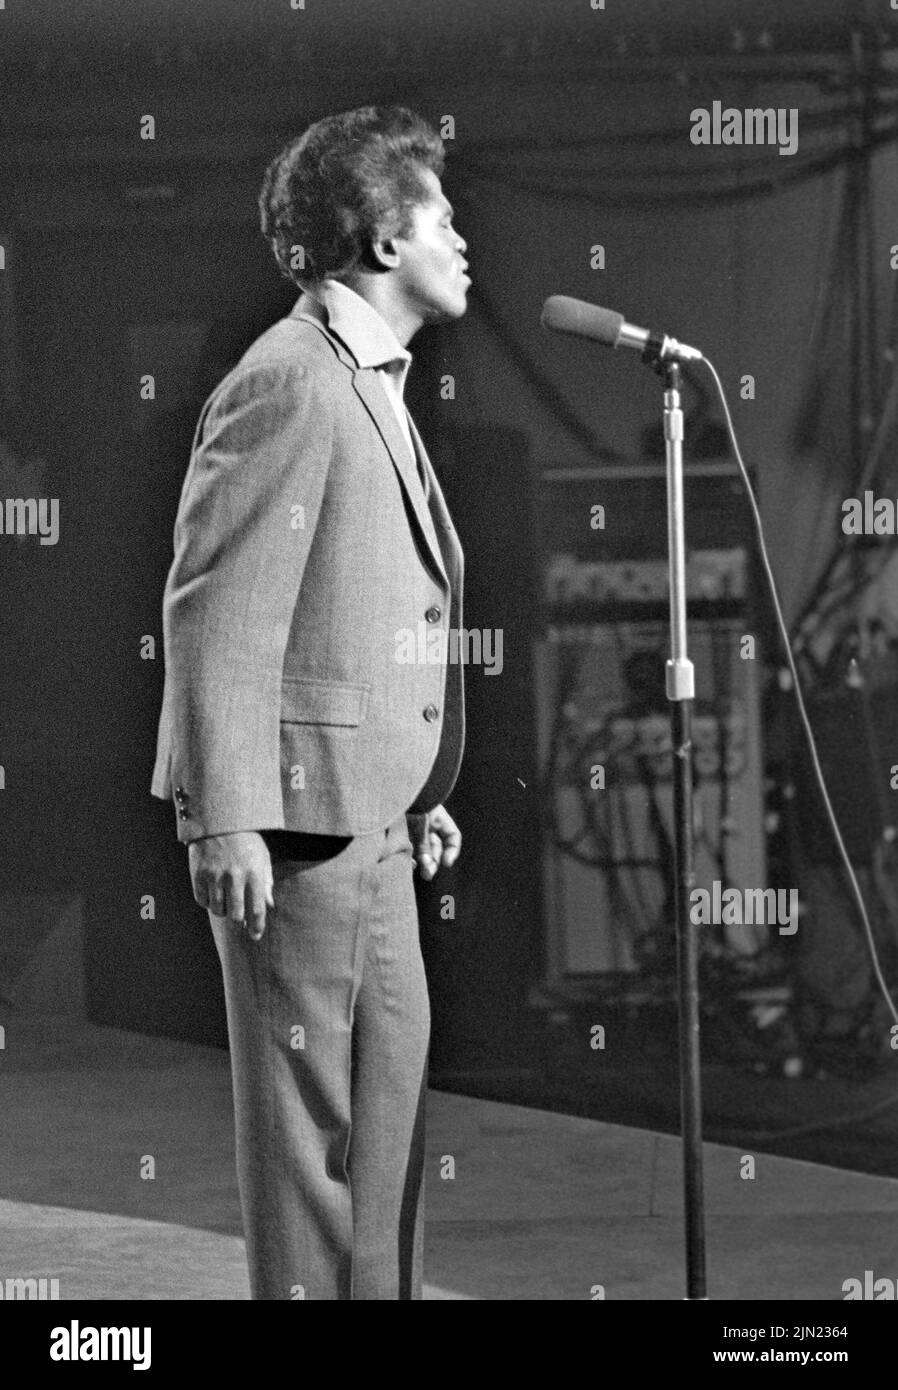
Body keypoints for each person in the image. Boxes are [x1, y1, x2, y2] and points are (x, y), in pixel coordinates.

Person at [150, 105, 469, 1300]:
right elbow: (215, 607)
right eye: (440, 214)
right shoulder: (287, 383)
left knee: (383, 1135)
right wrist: (222, 814)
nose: (460, 237)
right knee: (311, 1148)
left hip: (369, 817)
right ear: (382, 240)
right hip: (293, 828)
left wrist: (413, 786)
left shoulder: (370, 378)